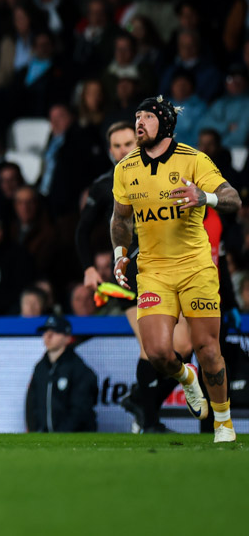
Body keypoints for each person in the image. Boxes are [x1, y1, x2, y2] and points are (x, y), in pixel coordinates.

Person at [111, 96, 242, 443]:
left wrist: (205, 198)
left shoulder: (193, 159)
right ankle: (187, 378)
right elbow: (120, 219)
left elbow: (233, 198)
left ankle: (224, 424)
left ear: (166, 123)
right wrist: (120, 253)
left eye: (147, 117)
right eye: (136, 116)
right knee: (156, 352)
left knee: (208, 349)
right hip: (153, 270)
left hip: (195, 268)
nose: (139, 122)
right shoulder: (125, 168)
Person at [77, 121, 191, 432]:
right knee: (152, 347)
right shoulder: (104, 185)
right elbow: (82, 230)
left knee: (182, 345)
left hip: (167, 268)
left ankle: (140, 401)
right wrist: (88, 267)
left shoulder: (161, 175)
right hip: (130, 274)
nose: (123, 150)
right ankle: (149, 419)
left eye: (128, 143)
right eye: (116, 145)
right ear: (109, 150)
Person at [25, 316, 98, 433]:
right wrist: (35, 431)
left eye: (54, 332)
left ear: (68, 338)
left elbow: (81, 409)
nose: (48, 336)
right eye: (46, 332)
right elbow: (31, 403)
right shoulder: (40, 367)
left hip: (74, 438)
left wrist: (62, 433)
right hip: (45, 437)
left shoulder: (78, 368)